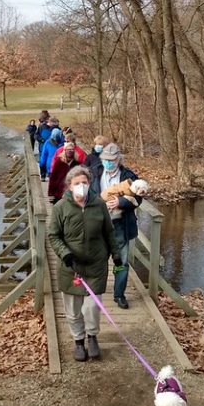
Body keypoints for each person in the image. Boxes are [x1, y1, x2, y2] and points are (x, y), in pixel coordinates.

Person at [49, 166, 121, 361]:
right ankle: (78, 342)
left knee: (92, 307)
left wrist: (116, 255)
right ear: (69, 186)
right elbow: (53, 236)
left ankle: (92, 337)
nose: (81, 186)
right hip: (71, 267)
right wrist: (65, 254)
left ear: (89, 184)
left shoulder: (99, 205)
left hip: (96, 265)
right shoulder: (60, 208)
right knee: (73, 310)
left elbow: (109, 232)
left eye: (84, 183)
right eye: (76, 183)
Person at [89, 142, 141, 310]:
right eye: (106, 159)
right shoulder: (94, 173)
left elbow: (139, 198)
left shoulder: (129, 176)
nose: (108, 163)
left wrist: (122, 202)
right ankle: (95, 292)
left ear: (119, 159)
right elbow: (88, 194)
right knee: (98, 260)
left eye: (112, 160)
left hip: (121, 225)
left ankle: (119, 295)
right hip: (99, 224)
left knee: (122, 262)